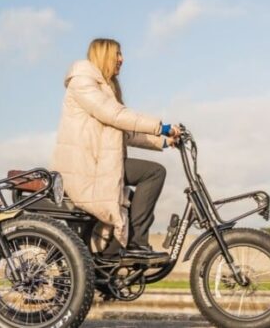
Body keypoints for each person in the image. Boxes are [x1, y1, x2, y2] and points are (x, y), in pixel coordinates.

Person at [51, 38, 179, 259]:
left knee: (129, 203)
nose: (122, 59)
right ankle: (137, 242)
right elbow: (114, 115)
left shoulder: (106, 87)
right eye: (117, 54)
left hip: (101, 163)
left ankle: (115, 260)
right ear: (104, 55)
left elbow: (125, 131)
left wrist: (164, 141)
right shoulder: (82, 81)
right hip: (87, 166)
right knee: (154, 172)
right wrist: (160, 127)